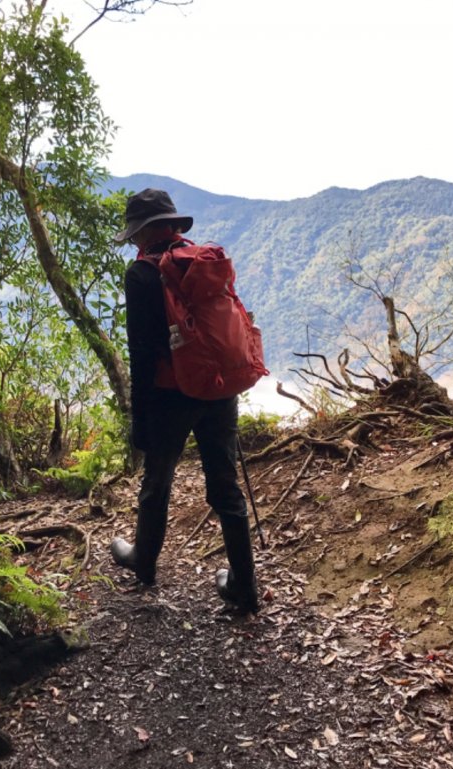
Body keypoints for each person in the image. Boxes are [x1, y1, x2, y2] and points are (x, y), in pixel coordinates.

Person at [109, 188, 259, 614]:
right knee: (225, 486)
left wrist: (139, 419)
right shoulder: (201, 261)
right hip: (217, 387)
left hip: (169, 395)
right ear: (174, 226)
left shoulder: (141, 275)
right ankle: (245, 587)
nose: (135, 240)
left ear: (144, 232)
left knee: (157, 482)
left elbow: (142, 353)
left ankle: (144, 564)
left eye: (135, 232)